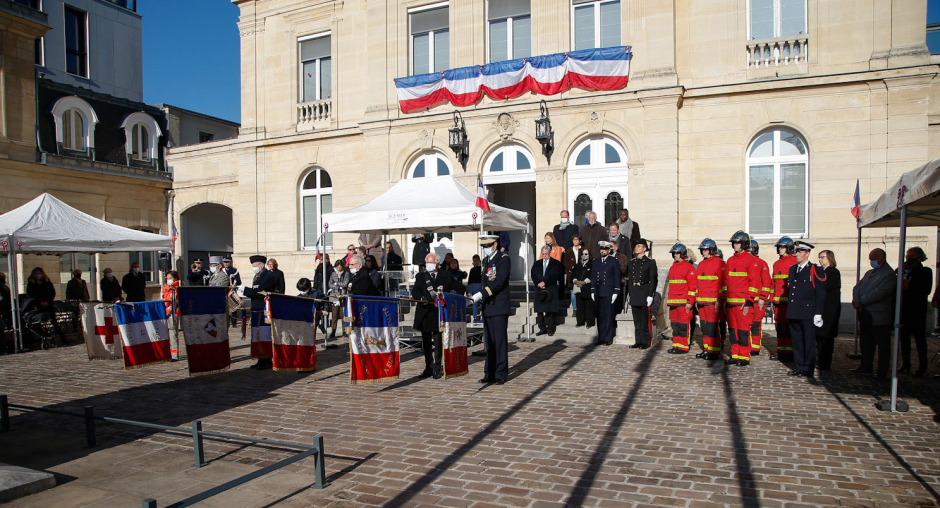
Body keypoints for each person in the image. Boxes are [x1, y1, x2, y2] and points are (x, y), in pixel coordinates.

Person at [413, 253, 465, 378]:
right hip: (425, 312)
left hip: (438, 313)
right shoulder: (421, 276)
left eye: (431, 262)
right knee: (426, 343)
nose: (428, 265)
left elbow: (460, 288)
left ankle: (437, 367)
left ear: (437, 263)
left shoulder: (446, 275)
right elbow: (415, 291)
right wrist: (421, 298)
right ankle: (428, 367)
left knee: (438, 342)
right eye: (427, 262)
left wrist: (449, 299)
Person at [471, 235, 511, 385]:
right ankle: (489, 372)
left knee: (499, 341)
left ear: (495, 245)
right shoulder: (486, 261)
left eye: (487, 246)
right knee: (489, 342)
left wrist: (482, 293)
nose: (485, 250)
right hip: (488, 305)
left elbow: (499, 281)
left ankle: (500, 373)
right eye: (483, 247)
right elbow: (485, 282)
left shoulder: (503, 259)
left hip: (499, 305)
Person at [851, 248, 896, 378]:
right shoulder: (870, 273)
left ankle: (882, 371)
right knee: (865, 343)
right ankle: (865, 367)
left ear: (881, 258)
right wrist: (856, 300)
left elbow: (880, 293)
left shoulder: (889, 274)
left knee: (882, 345)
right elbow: (857, 287)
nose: (871, 262)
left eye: (873, 259)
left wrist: (861, 301)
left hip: (879, 315)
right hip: (864, 313)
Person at [785, 241, 827, 378]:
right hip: (794, 311)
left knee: (808, 341)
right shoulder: (792, 269)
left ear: (808, 254)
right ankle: (800, 365)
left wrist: (819, 313)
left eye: (801, 252)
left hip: (808, 312)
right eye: (796, 251)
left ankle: (808, 367)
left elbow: (820, 293)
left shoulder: (815, 269)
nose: (797, 254)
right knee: (796, 340)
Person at [724, 231, 762, 366]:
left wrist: (748, 302)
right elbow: (726, 282)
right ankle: (735, 354)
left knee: (743, 331)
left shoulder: (751, 260)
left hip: (743, 303)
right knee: (733, 331)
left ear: (744, 244)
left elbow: (754, 284)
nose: (735, 245)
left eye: (738, 242)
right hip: (731, 303)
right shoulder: (730, 260)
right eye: (734, 243)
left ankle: (745, 356)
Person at [238, 255, 277, 370]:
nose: (253, 268)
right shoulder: (257, 276)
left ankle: (266, 360)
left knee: (264, 335)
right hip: (256, 309)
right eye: (252, 266)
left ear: (262, 265)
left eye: (255, 265)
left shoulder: (268, 276)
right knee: (257, 335)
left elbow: (259, 292)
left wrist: (245, 290)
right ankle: (260, 358)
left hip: (263, 309)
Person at [898, 246, 932, 377]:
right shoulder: (904, 270)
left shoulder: (925, 271)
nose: (909, 258)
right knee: (904, 338)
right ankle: (906, 363)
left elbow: (925, 289)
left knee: (919, 339)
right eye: (907, 256)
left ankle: (922, 366)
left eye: (912, 256)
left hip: (917, 310)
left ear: (919, 257)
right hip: (904, 309)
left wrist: (909, 285)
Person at [695, 239, 726, 360]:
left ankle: (714, 350)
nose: (704, 252)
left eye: (706, 250)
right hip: (702, 301)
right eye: (703, 250)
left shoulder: (720, 263)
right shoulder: (701, 264)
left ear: (712, 250)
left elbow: (723, 283)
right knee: (704, 326)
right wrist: (697, 299)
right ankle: (706, 348)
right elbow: (698, 284)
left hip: (713, 301)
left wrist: (720, 299)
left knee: (712, 327)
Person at [770, 237, 798, 362]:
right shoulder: (776, 264)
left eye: (783, 247)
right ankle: (782, 352)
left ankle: (791, 353)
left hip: (789, 303)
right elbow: (773, 284)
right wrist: (771, 300)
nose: (780, 249)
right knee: (780, 329)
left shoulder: (794, 262)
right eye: (779, 247)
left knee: (789, 329)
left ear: (789, 248)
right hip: (778, 303)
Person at [666, 244, 697, 354]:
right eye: (674, 253)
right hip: (673, 302)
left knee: (683, 325)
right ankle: (676, 344)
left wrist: (690, 302)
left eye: (677, 253)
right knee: (675, 325)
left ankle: (683, 346)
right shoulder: (672, 268)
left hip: (683, 303)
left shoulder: (689, 268)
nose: (675, 255)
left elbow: (693, 287)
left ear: (683, 254)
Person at [626, 239, 656, 348]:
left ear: (644, 249)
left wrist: (650, 294)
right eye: (636, 246)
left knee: (644, 320)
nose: (636, 248)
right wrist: (629, 294)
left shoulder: (650, 262)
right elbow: (630, 279)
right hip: (635, 292)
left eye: (639, 246)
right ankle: (638, 340)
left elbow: (653, 279)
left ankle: (645, 341)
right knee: (637, 319)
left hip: (644, 291)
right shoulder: (632, 262)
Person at [592, 241, 622, 346]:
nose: (602, 251)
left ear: (609, 250)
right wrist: (592, 290)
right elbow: (593, 276)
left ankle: (608, 338)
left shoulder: (613, 261)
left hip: (609, 291)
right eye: (601, 249)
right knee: (600, 316)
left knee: (608, 316)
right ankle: (601, 337)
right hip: (599, 291)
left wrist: (616, 291)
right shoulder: (596, 261)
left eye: (605, 249)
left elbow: (617, 277)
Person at [816, 249, 842, 371]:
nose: (820, 259)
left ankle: (825, 363)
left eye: (822, 257)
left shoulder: (833, 272)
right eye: (819, 257)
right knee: (820, 338)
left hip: (829, 311)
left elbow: (825, 287)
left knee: (826, 339)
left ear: (829, 258)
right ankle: (820, 360)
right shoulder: (822, 272)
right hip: (822, 310)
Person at [26, 267, 66, 342]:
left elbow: (52, 293)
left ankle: (63, 338)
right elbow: (31, 295)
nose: (38, 275)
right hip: (38, 306)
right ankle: (42, 338)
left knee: (54, 321)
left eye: (39, 273)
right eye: (36, 273)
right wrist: (39, 302)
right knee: (37, 323)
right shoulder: (31, 284)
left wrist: (47, 301)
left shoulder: (47, 282)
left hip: (48, 305)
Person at [748, 240, 773, 357]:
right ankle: (746, 345)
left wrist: (763, 298)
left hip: (757, 300)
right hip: (746, 300)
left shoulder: (762, 263)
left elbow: (767, 283)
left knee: (756, 324)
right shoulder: (744, 263)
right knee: (745, 325)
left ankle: (755, 346)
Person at [532, 246, 563, 337]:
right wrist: (539, 283)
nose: (544, 256)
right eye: (543, 254)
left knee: (550, 310)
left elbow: (556, 275)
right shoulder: (537, 263)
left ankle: (550, 328)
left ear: (549, 253)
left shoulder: (556, 263)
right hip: (539, 289)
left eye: (546, 254)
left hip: (550, 287)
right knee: (540, 311)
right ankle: (542, 328)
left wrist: (545, 282)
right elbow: (533, 274)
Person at [571, 248, 595, 328]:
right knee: (580, 306)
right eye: (583, 254)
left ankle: (589, 322)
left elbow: (592, 275)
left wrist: (585, 281)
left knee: (589, 306)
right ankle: (580, 321)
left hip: (587, 287)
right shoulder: (577, 265)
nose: (584, 256)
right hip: (579, 288)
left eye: (586, 254)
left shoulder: (592, 264)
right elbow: (573, 275)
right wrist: (575, 281)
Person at [327, 260, 351, 338]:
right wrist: (337, 286)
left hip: (342, 296)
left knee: (343, 314)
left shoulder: (346, 273)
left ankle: (344, 330)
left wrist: (336, 284)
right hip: (334, 296)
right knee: (334, 315)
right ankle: (333, 330)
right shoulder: (333, 274)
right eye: (337, 266)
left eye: (340, 266)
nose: (339, 268)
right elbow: (330, 284)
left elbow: (345, 284)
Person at [163, 271, 181, 360]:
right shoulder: (165, 288)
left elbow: (175, 300)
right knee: (167, 334)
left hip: (174, 313)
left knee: (173, 333)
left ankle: (174, 354)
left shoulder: (177, 288)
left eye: (170, 278)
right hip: (165, 313)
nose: (168, 280)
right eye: (167, 278)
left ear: (175, 278)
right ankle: (168, 353)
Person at [562, 234, 584, 307]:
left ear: (580, 241)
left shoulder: (583, 250)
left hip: (581, 273)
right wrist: (572, 267)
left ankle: (580, 307)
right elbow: (565, 262)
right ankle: (575, 308)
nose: (575, 241)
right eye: (574, 239)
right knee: (572, 291)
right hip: (571, 273)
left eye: (577, 239)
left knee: (581, 291)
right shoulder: (569, 250)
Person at [222, 257, 241, 327]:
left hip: (231, 290)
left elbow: (239, 281)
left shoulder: (234, 270)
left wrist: (235, 284)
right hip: (224, 289)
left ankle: (234, 322)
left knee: (233, 306)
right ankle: (226, 321)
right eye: (224, 262)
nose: (226, 264)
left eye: (227, 262)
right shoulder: (221, 270)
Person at [467, 255, 483, 323]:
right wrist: (469, 289)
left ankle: (483, 317)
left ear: (479, 260)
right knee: (475, 303)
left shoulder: (482, 269)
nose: (475, 262)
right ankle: (475, 317)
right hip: (474, 288)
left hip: (480, 287)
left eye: (476, 260)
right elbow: (470, 280)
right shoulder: (472, 270)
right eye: (474, 261)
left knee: (482, 303)